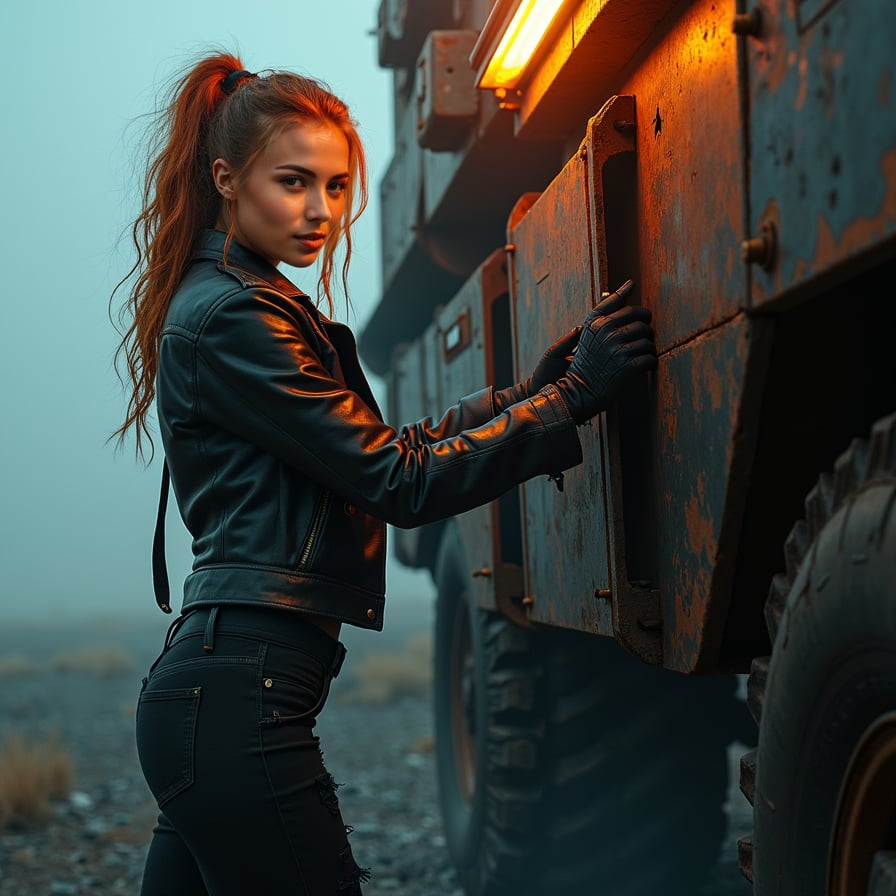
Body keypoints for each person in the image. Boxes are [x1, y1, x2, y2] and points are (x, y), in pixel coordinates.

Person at [112, 51, 657, 896]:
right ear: (226, 178)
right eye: (293, 182)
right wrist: (573, 399)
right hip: (237, 706)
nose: (320, 211)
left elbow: (367, 450)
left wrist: (523, 396)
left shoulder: (237, 300)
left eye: (335, 187)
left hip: (214, 698)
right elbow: (399, 483)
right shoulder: (235, 315)